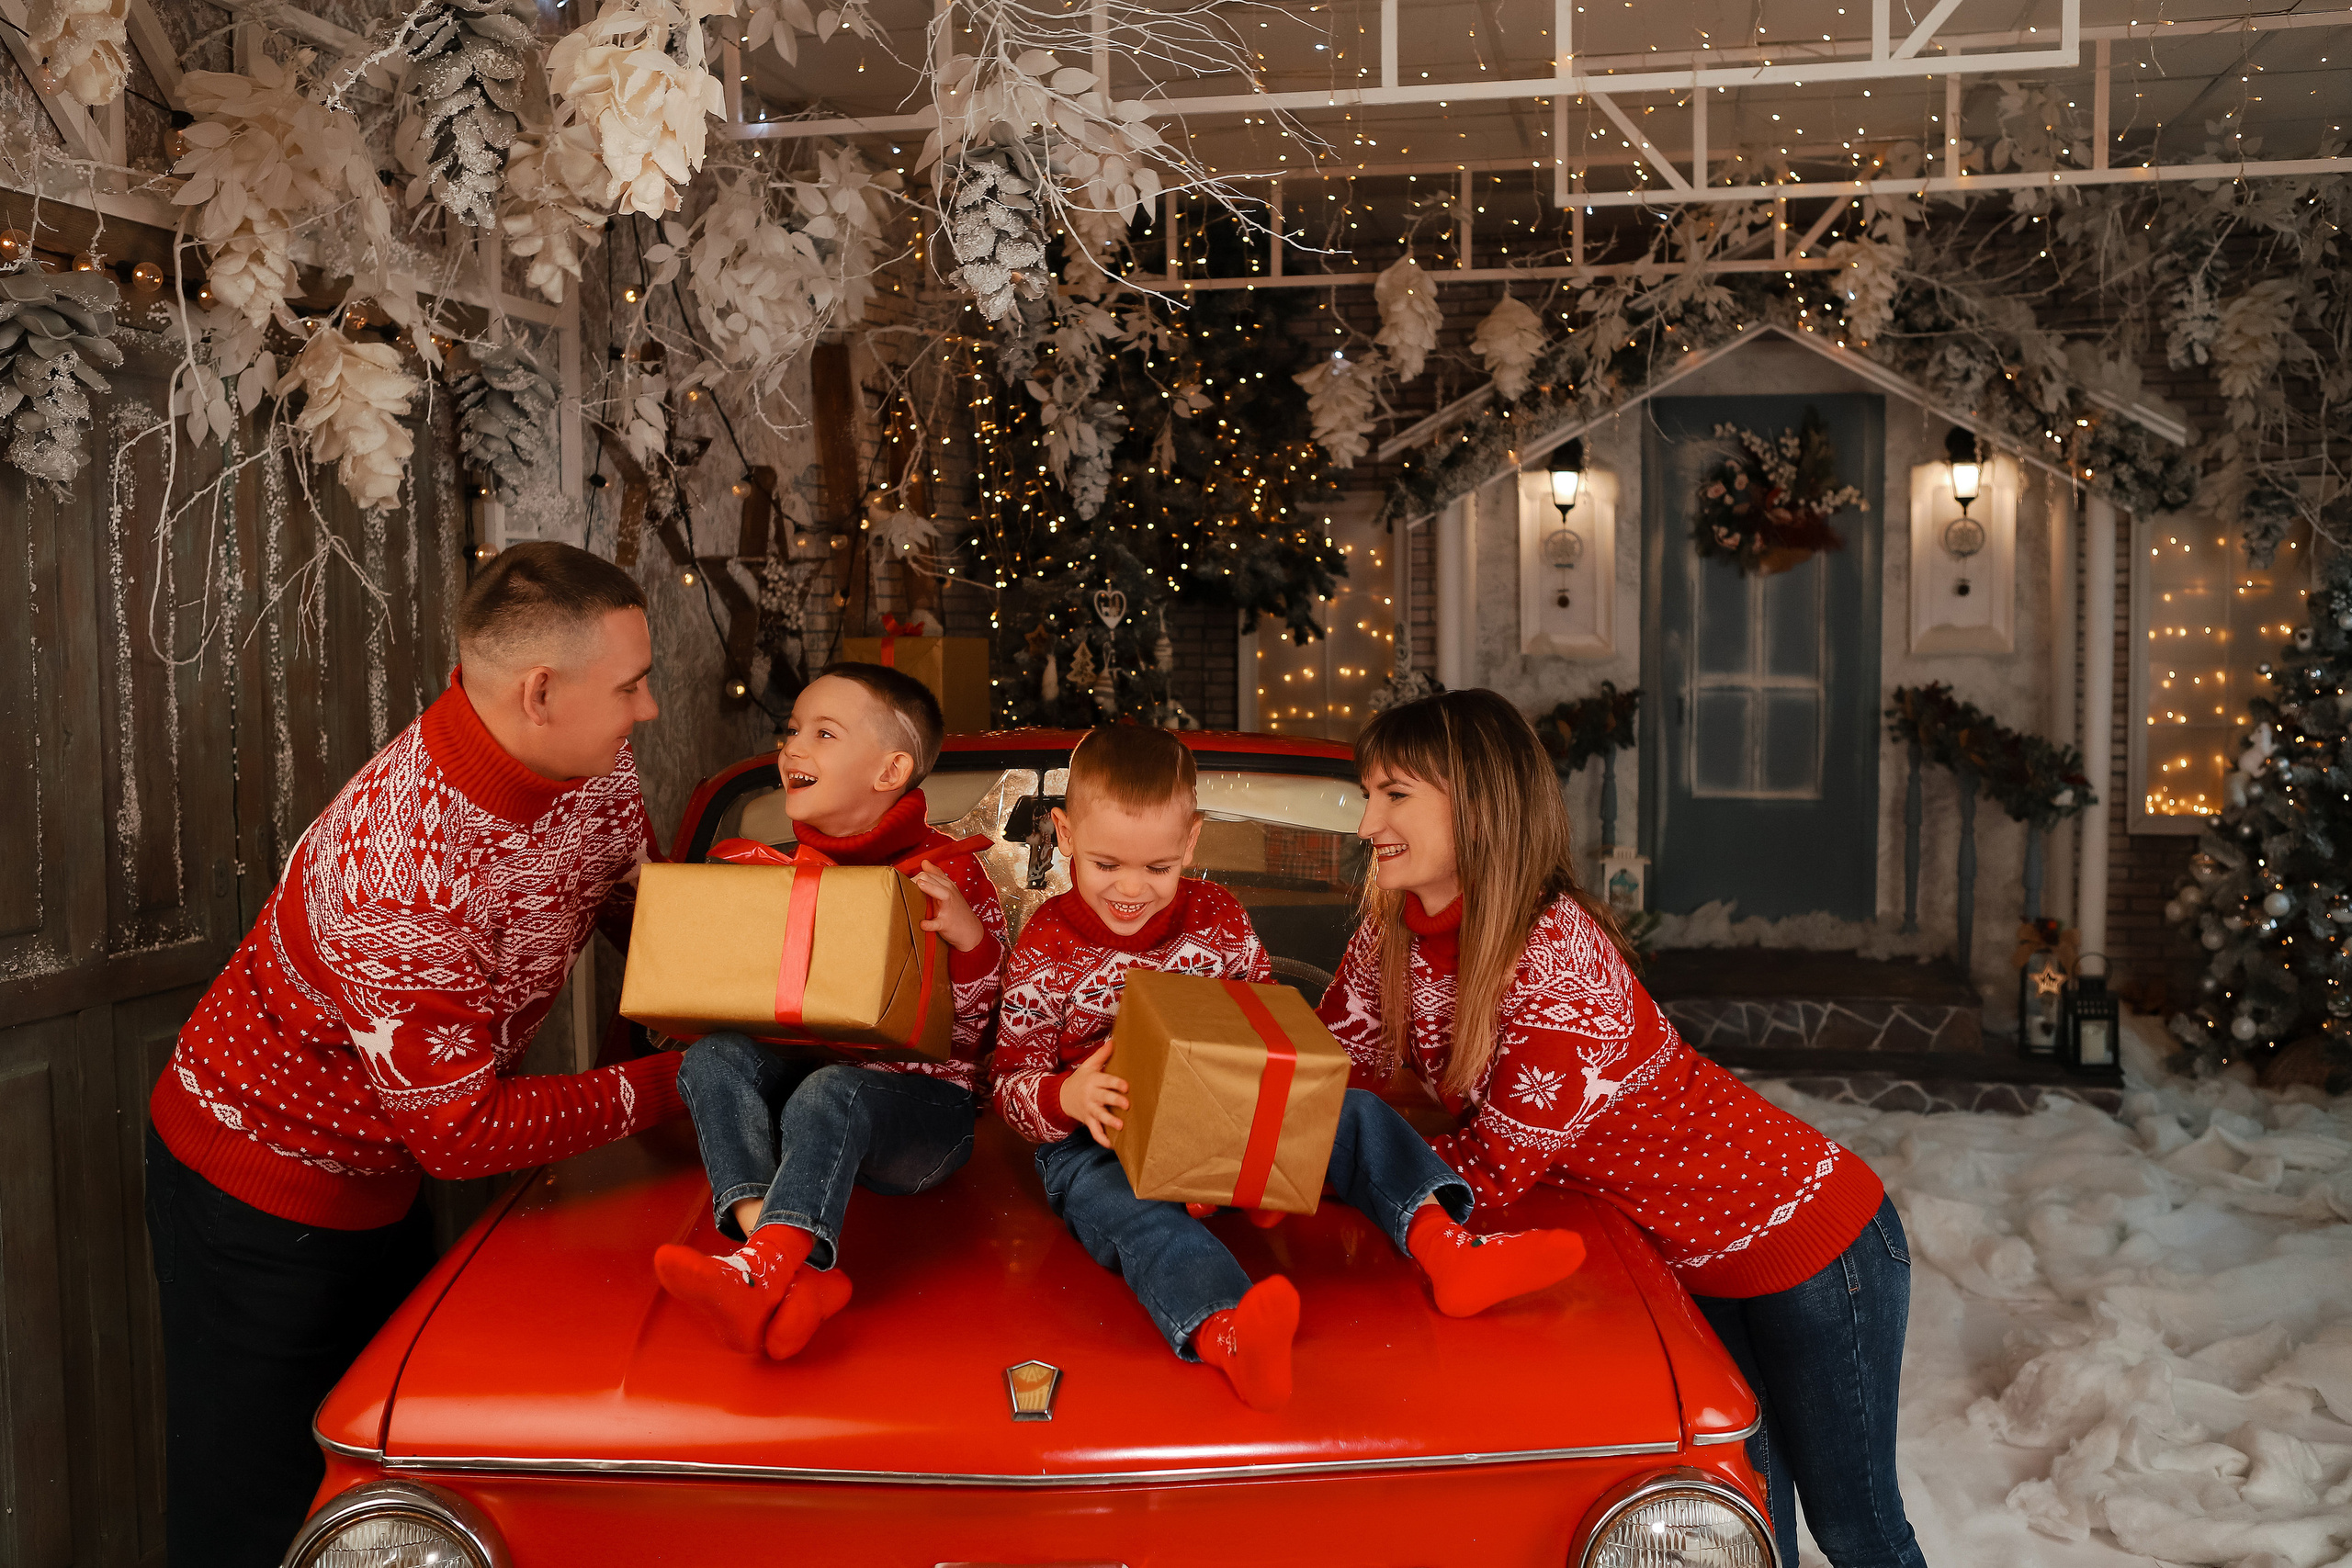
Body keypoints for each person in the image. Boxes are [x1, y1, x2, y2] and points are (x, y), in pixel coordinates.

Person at [143, 542, 688, 1568]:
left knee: (391, 1488)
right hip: (259, 1187)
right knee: (262, 1514)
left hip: (387, 1163)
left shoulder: (591, 760)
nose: (648, 709)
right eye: (630, 686)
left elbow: (640, 909)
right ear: (540, 693)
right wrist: (681, 1082)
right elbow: (461, 1135)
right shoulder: (397, 868)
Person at [1317, 688, 1925, 1568]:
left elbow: (1485, 1173)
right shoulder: (1390, 942)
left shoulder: (1558, 956)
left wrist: (1332, 1167)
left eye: (1395, 794)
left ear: (1478, 804)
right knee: (1751, 1535)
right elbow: (1322, 1075)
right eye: (1367, 793)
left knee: (1859, 1530)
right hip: (1686, 1261)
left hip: (1809, 1239)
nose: (1368, 821)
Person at [990, 725, 1587, 1411]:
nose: (1131, 888)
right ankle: (1227, 1329)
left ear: (1191, 841)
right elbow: (1009, 1084)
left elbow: (1265, 1025)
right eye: (1106, 864)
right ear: (1064, 834)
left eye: (1157, 868)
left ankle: (1443, 1242)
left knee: (1357, 1111)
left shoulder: (1218, 918)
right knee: (1123, 1208)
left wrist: (1266, 1148)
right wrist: (1067, 1096)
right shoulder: (1044, 949)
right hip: (1095, 1141)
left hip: (1222, 1116)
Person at [653, 662, 1007, 1359]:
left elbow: (984, 1034)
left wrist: (971, 943)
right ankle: (783, 1266)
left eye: (824, 733)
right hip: (806, 1113)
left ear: (889, 770)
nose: (793, 747)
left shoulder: (950, 874)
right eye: (792, 731)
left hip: (923, 1119)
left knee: (833, 1089)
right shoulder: (782, 874)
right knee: (712, 1057)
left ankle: (764, 1267)